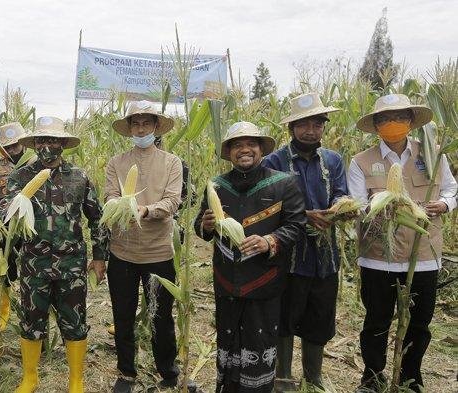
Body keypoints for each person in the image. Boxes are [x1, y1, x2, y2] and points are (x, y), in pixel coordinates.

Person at [348, 93, 457, 392]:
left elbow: (451, 190)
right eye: (384, 118)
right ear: (375, 125)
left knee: (419, 324)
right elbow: (358, 205)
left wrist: (444, 205)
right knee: (376, 321)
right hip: (377, 256)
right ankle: (371, 377)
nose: (392, 123)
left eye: (399, 117)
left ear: (410, 121)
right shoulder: (361, 162)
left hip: (423, 255)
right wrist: (380, 207)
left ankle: (411, 377)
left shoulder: (434, 155)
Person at [194, 121, 306, 393]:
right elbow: (200, 226)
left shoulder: (283, 184)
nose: (244, 150)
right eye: (237, 145)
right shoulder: (217, 186)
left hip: (264, 281)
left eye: (250, 144)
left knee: (259, 343)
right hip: (227, 282)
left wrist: (269, 241)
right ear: (229, 152)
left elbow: (296, 225)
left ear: (261, 149)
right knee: (228, 342)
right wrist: (206, 226)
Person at [6, 116, 108, 393]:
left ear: (63, 144)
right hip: (33, 262)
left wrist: (100, 256)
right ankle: (30, 378)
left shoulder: (79, 177)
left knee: (75, 321)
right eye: (41, 140)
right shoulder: (19, 177)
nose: (47, 146)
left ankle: (76, 381)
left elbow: (97, 218)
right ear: (34, 144)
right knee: (31, 320)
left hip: (71, 263)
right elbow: (7, 218)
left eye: (52, 140)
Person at [105, 101, 200, 393]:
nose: (141, 128)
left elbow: (173, 201)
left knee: (161, 315)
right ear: (130, 128)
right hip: (122, 252)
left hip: (159, 251)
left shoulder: (172, 163)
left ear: (156, 127)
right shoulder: (115, 163)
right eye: (136, 123)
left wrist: (144, 211)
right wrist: (119, 208)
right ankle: (126, 372)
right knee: (123, 314)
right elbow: (110, 196)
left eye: (147, 123)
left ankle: (169, 371)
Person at [262, 92, 348, 391]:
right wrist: (304, 215)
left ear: (323, 126)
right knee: (286, 315)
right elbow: (269, 206)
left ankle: (314, 376)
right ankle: (283, 375)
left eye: (317, 124)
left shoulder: (334, 160)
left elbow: (340, 191)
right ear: (292, 128)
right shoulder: (275, 161)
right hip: (289, 255)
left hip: (325, 255)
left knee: (320, 315)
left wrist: (339, 208)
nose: (311, 130)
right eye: (303, 124)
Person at [0, 122, 36, 329]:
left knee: (30, 268)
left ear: (23, 144)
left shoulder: (35, 163)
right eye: (8, 146)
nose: (12, 150)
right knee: (5, 267)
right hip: (4, 225)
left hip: (29, 223)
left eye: (15, 145)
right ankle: (4, 309)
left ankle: (28, 309)